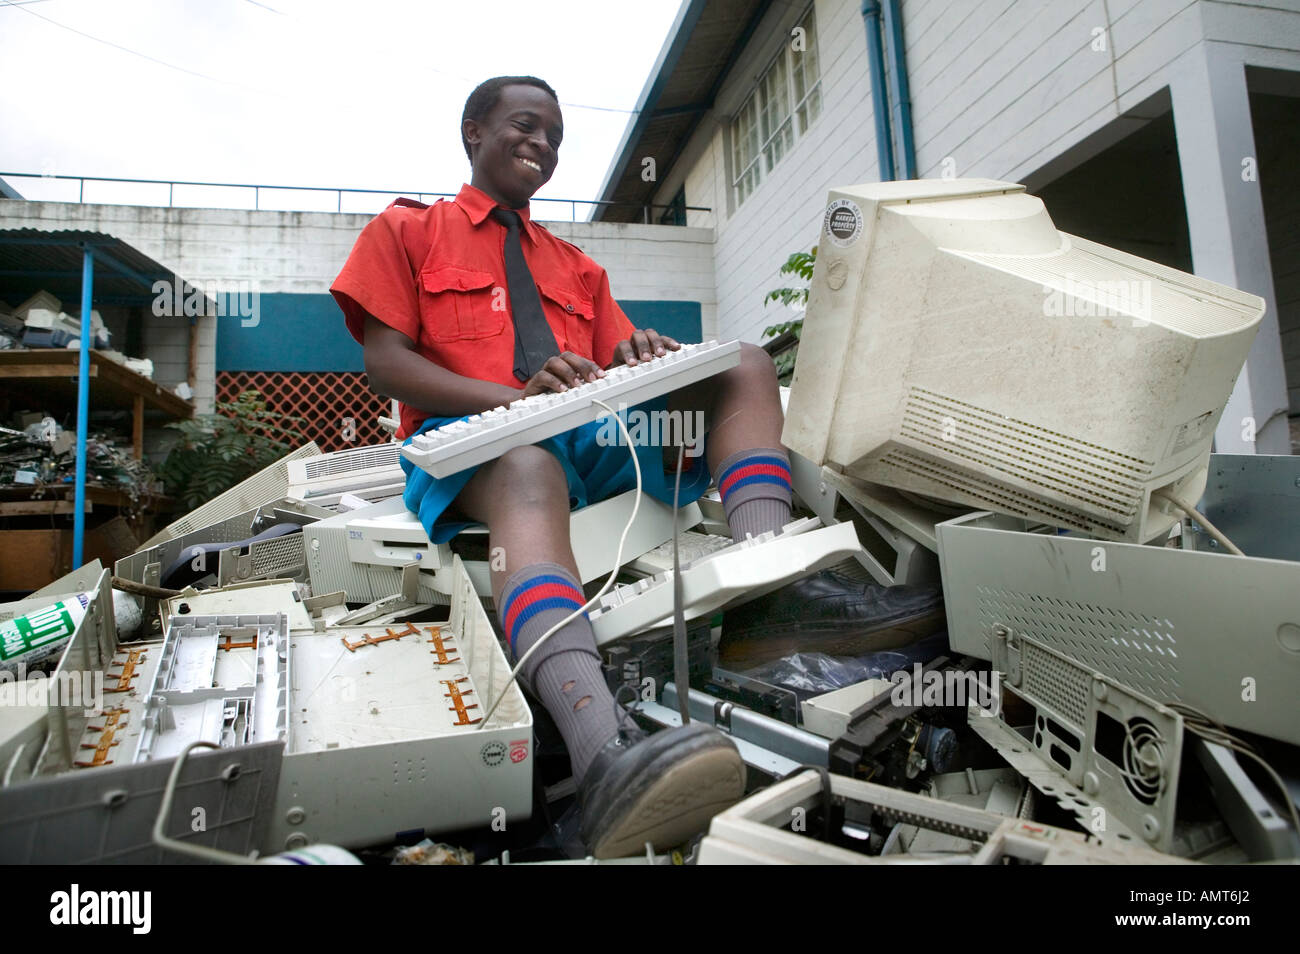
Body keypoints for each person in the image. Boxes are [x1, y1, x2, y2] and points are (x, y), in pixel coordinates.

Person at [331, 76, 942, 857]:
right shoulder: (407, 231)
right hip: (473, 444)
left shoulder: (575, 265)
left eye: (555, 136)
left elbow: (614, 363)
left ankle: (777, 596)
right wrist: (510, 398)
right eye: (525, 126)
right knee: (524, 464)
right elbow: (386, 364)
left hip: (588, 433)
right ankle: (600, 752)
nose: (542, 146)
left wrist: (638, 357)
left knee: (746, 364)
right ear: (473, 131)